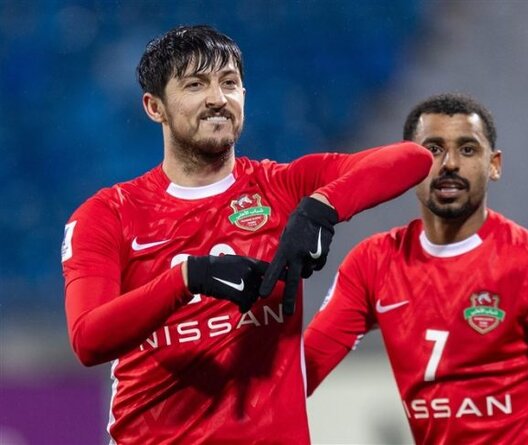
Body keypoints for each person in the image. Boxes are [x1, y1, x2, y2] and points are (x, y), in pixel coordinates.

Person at [61, 25, 433, 444]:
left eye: (229, 83)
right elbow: (88, 340)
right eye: (195, 85)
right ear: (155, 107)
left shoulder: (282, 187)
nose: (217, 99)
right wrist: (188, 278)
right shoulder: (110, 213)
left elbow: (413, 158)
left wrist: (322, 208)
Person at [304, 93, 528, 444]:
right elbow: (302, 374)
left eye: (467, 149)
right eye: (433, 149)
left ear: (494, 165)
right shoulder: (373, 263)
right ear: (407, 166)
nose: (449, 163)